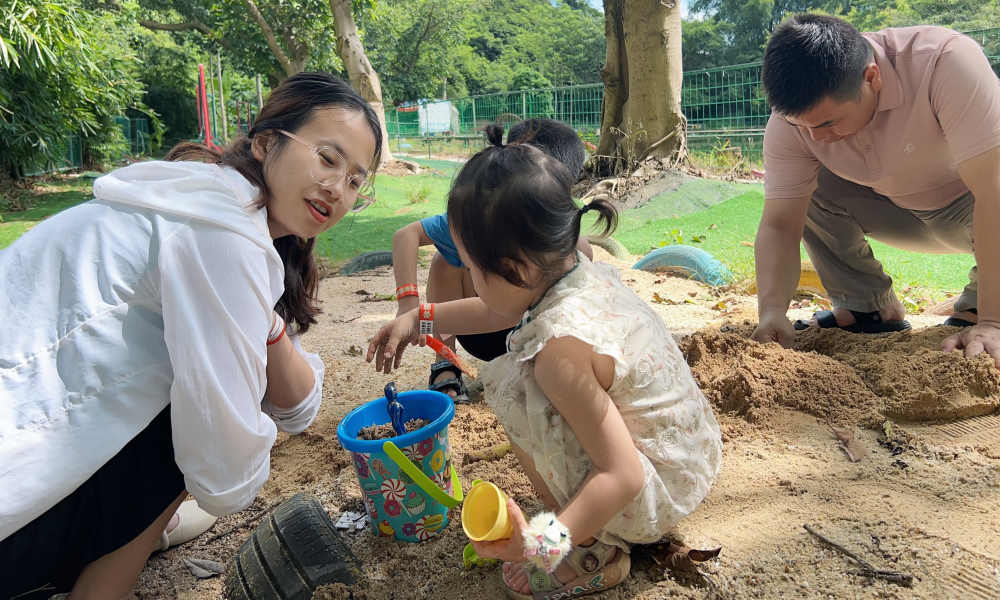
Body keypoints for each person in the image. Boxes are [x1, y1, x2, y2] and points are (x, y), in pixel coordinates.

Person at [0, 72, 381, 599]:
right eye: (327, 158)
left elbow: (299, 405)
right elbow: (224, 473)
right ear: (268, 142)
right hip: (15, 492)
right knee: (187, 429)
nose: (338, 189)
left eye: (357, 180)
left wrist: (266, 329)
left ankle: (125, 542)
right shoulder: (223, 234)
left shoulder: (214, 205)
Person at [368, 125, 722, 599]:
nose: (468, 277)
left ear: (512, 270)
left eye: (471, 269)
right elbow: (501, 306)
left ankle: (594, 550)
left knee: (520, 392)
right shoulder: (575, 269)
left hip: (651, 491)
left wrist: (539, 544)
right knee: (527, 384)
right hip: (689, 453)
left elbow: (623, 475)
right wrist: (421, 319)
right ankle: (586, 530)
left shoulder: (558, 353)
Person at [751, 14, 1000, 367]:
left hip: (975, 204)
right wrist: (772, 312)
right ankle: (866, 307)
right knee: (801, 187)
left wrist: (994, 321)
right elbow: (779, 224)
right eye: (801, 126)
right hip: (896, 211)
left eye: (827, 123)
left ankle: (980, 308)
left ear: (871, 77)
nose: (816, 138)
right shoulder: (792, 123)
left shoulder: (945, 63)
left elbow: (994, 191)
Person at [390, 119, 594, 402]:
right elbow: (490, 314)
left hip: (536, 341)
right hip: (482, 331)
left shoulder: (573, 251)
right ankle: (445, 363)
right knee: (445, 259)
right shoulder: (476, 219)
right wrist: (411, 310)